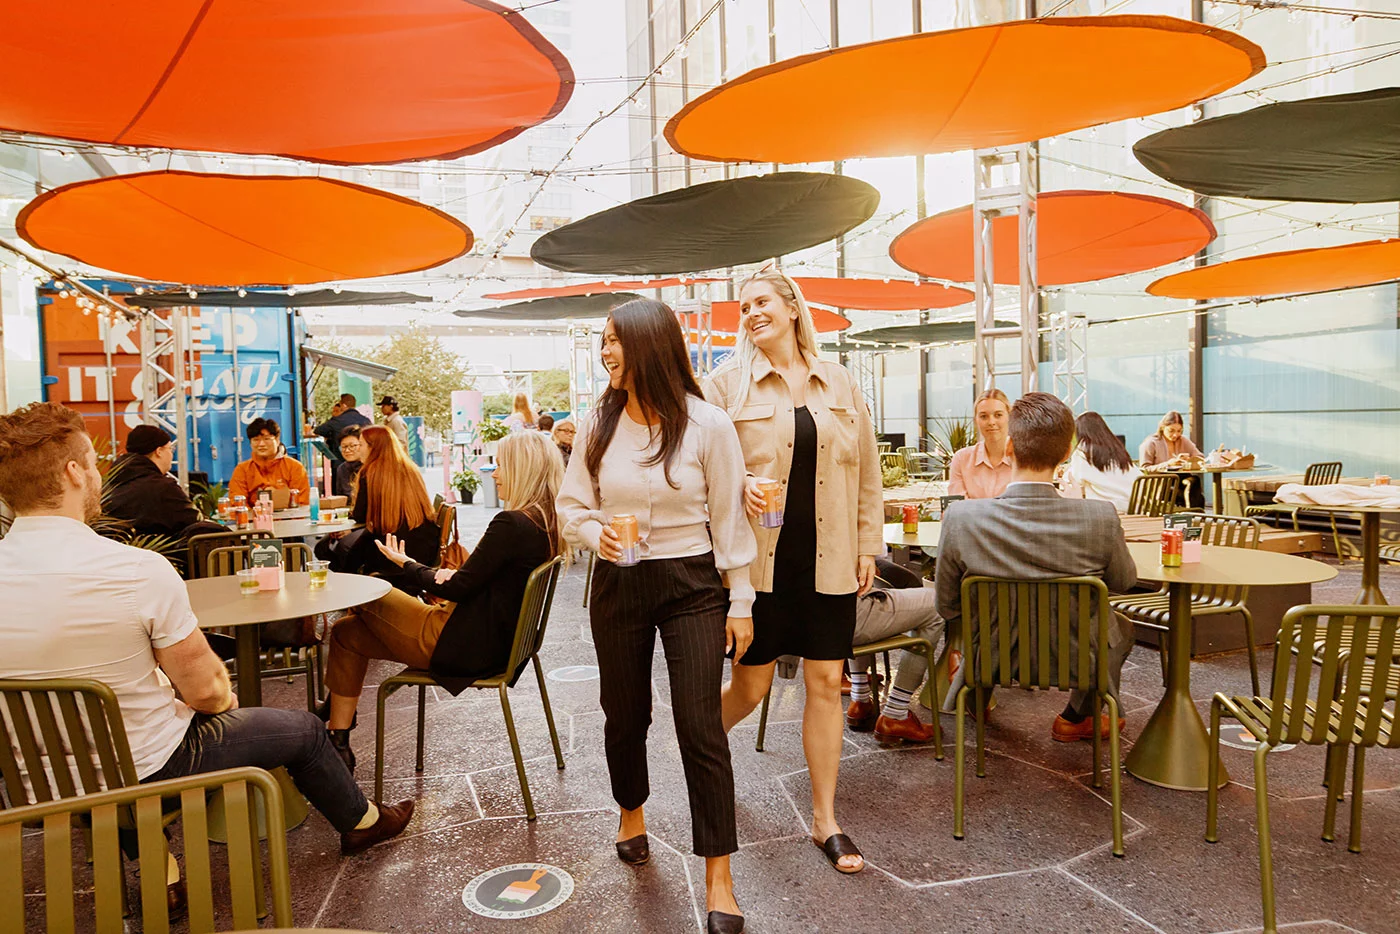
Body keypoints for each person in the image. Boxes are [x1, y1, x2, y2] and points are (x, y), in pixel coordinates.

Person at [0, 402, 414, 878]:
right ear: (74, 473)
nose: (99, 476)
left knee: (117, 744)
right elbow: (209, 694)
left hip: (32, 784)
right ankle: (362, 822)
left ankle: (163, 873)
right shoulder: (135, 570)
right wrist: (214, 698)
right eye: (94, 465)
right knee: (303, 731)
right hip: (148, 771)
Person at [556, 299, 754, 934]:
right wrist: (594, 535)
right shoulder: (597, 424)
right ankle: (631, 810)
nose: (606, 352)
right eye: (603, 342)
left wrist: (742, 600)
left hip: (693, 583)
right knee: (626, 712)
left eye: (615, 342)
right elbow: (570, 505)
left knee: (700, 724)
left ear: (649, 347)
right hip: (619, 582)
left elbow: (729, 520)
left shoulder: (709, 426)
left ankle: (719, 876)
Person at [702, 270, 881, 878]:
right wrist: (740, 483)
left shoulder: (841, 381)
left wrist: (867, 544)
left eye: (762, 302)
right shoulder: (726, 385)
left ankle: (826, 818)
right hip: (760, 561)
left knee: (827, 681)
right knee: (750, 688)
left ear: (792, 308)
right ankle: (701, 744)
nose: (752, 313)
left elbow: (868, 475)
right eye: (745, 306)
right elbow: (696, 468)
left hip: (828, 555)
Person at [321, 431, 564, 770]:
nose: (494, 474)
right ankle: (338, 740)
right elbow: (475, 581)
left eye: (501, 466)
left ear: (523, 469)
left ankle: (324, 720)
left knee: (364, 589)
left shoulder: (511, 523)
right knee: (346, 633)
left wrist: (406, 565)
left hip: (459, 643)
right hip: (497, 644)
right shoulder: (547, 521)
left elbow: (458, 589)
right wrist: (448, 577)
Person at [934, 392, 1137, 742]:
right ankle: (1076, 717)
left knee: (973, 625)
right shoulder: (1100, 517)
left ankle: (978, 697)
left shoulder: (961, 518)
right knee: (1121, 627)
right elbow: (1122, 581)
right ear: (1065, 455)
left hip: (991, 657)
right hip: (1077, 658)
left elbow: (947, 605)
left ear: (1010, 447)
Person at [315, 426, 439, 594]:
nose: (358, 450)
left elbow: (360, 515)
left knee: (333, 549)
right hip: (425, 548)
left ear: (373, 447)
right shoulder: (410, 468)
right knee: (352, 547)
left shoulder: (370, 472)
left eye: (361, 445)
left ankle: (352, 597)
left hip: (392, 550)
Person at [845, 556, 944, 745]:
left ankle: (860, 699)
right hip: (844, 615)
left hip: (803, 620)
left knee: (865, 584)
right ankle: (896, 714)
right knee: (936, 603)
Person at [104, 424, 212, 538]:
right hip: (159, 554)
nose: (171, 455)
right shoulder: (163, 488)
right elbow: (195, 521)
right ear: (159, 451)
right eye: (170, 449)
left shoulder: (110, 483)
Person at [1061, 411, 1142, 513]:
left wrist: (1065, 471)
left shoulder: (1084, 451)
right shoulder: (1117, 449)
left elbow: (1074, 480)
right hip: (1132, 507)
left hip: (1105, 510)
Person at [947, 388, 1013, 499]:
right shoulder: (962, 459)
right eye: (983, 416)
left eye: (998, 415)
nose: (991, 422)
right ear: (976, 420)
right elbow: (958, 509)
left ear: (1009, 417)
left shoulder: (1024, 459)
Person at [228, 418, 309, 506]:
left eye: (267, 439)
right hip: (253, 518)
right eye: (256, 440)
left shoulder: (294, 467)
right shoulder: (242, 470)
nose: (261, 444)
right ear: (250, 443)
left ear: (277, 440)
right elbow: (238, 504)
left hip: (289, 518)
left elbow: (303, 502)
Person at [333, 426, 364, 500]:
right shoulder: (342, 468)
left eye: (352, 446)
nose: (347, 450)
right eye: (344, 447)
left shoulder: (371, 467)